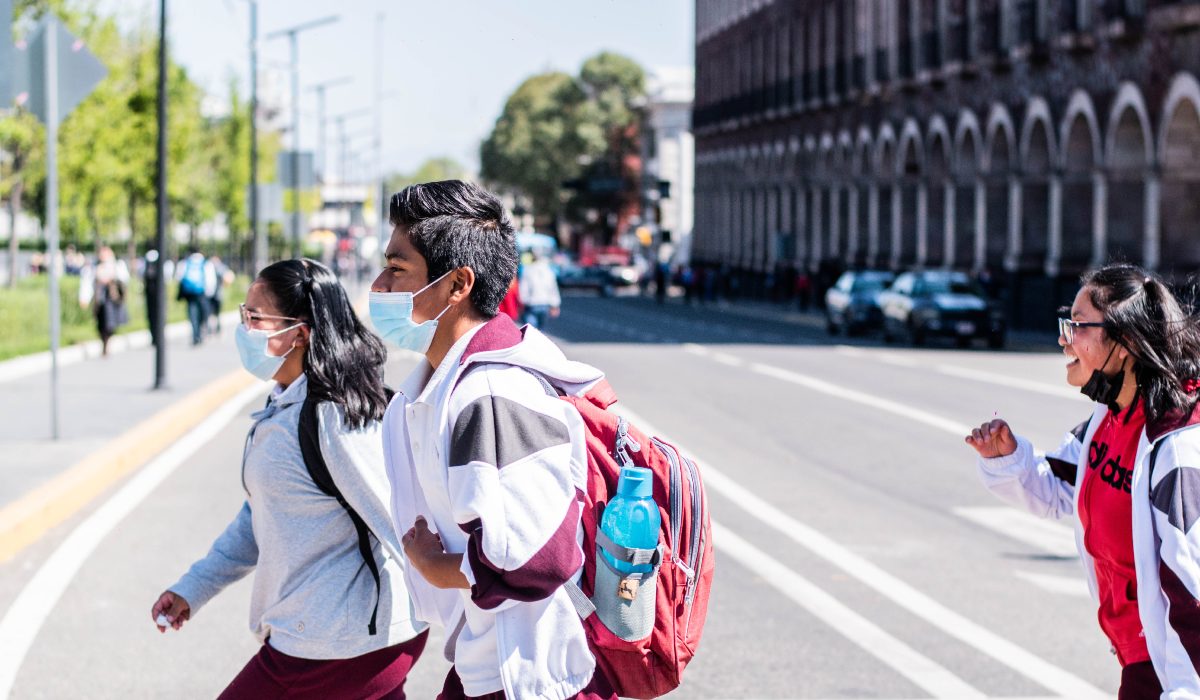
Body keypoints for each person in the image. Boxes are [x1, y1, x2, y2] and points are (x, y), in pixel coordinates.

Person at [370, 180, 616, 700]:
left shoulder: (490, 393)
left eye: (396, 269)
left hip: (537, 677)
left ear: (458, 284)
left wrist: (436, 567)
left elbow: (540, 560)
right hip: (492, 661)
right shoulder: (447, 385)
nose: (377, 286)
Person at [151, 258, 428, 699]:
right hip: (339, 638)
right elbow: (260, 516)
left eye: (255, 318)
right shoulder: (283, 405)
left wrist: (474, 611)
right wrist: (194, 588)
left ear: (299, 333)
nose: (244, 329)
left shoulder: (333, 418)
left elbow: (399, 518)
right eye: (245, 314)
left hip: (338, 643)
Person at [965, 263, 1200, 698]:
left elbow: (1192, 592)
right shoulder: (1109, 416)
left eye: (1077, 325)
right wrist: (1010, 460)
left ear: (1126, 341)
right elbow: (1061, 488)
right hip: (1141, 657)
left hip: (1169, 670)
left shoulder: (1176, 445)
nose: (1063, 338)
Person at [78, 246, 129, 357]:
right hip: (100, 299)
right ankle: (104, 341)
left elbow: (124, 279)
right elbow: (87, 284)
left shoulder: (117, 265)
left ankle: (107, 343)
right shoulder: (94, 267)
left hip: (112, 299)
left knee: (110, 323)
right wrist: (84, 298)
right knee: (101, 323)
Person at [177, 248, 215, 345]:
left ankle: (195, 335)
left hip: (190, 293)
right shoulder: (206, 263)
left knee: (192, 314)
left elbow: (179, 277)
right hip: (202, 293)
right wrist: (209, 292)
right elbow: (210, 280)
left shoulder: (185, 262)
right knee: (203, 314)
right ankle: (201, 332)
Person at [517, 247, 561, 329]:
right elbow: (553, 288)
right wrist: (555, 304)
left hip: (531, 303)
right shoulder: (548, 270)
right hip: (544, 303)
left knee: (530, 331)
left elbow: (523, 288)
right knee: (540, 331)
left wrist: (521, 302)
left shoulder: (528, 270)